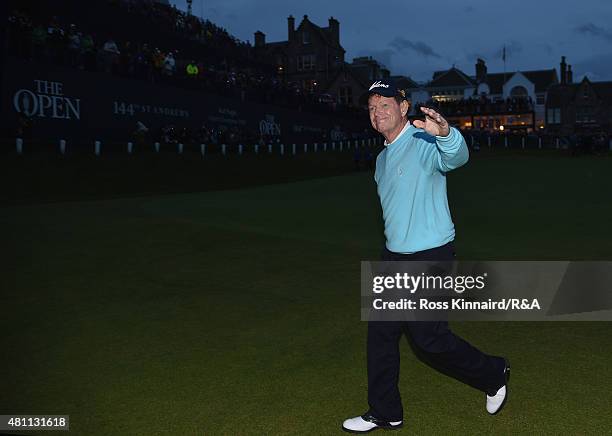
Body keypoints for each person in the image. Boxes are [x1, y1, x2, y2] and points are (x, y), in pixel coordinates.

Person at [342, 79, 510, 433]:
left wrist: (446, 133)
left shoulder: (421, 140)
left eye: (385, 105)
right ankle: (386, 411)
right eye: (372, 108)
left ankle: (495, 373)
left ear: (404, 108)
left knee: (428, 339)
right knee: (381, 335)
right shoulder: (382, 158)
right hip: (394, 257)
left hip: (430, 254)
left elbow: (456, 157)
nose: (377, 113)